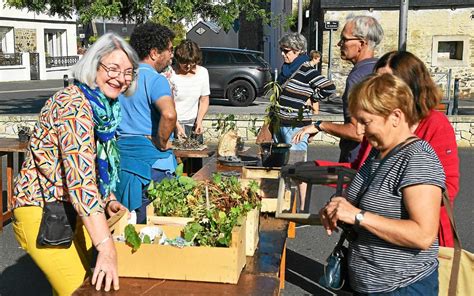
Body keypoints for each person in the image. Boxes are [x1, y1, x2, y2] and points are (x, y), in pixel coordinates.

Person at [11, 33, 139, 294]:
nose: (121, 78)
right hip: (42, 210)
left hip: (69, 209)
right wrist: (106, 246)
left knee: (83, 285)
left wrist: (108, 198)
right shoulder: (74, 105)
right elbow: (80, 182)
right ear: (93, 66)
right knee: (79, 289)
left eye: (128, 72)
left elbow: (93, 165)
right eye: (112, 68)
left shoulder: (105, 108)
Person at [298, 51, 460, 247]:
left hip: (411, 246)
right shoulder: (378, 127)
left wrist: (367, 212)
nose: (378, 88)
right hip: (371, 241)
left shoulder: (434, 125)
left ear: (410, 87)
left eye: (387, 81)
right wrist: (313, 169)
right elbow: (358, 171)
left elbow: (447, 189)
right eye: (376, 80)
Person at [320, 73, 445, 295]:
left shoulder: (418, 158)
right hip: (370, 285)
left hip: (404, 287)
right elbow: (361, 208)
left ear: (395, 116)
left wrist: (358, 216)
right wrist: (338, 210)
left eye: (366, 122)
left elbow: (423, 235)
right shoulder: (379, 153)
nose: (359, 131)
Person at [293, 15, 384, 163]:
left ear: (361, 43)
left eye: (345, 39)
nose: (339, 44)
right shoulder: (382, 69)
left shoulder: (357, 78)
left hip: (358, 163)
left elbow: (357, 132)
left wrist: (320, 126)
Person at [114, 23, 177, 224]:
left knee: (125, 230)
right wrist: (161, 140)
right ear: (154, 53)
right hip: (152, 167)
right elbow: (168, 114)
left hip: (122, 164)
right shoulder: (155, 80)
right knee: (155, 236)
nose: (172, 55)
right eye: (169, 50)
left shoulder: (121, 79)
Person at [274, 32, 335, 211]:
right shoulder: (286, 69)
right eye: (281, 50)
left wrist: (310, 97)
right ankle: (285, 206)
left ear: (298, 51)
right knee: (284, 167)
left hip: (297, 127)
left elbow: (329, 88)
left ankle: (303, 210)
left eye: (286, 51)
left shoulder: (306, 69)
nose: (283, 54)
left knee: (298, 168)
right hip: (281, 123)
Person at [172, 39, 210, 142]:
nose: (188, 66)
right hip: (172, 124)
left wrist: (199, 121)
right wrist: (177, 126)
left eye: (192, 63)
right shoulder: (170, 74)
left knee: (195, 156)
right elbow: (168, 104)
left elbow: (204, 100)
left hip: (192, 124)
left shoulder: (203, 73)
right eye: (184, 63)